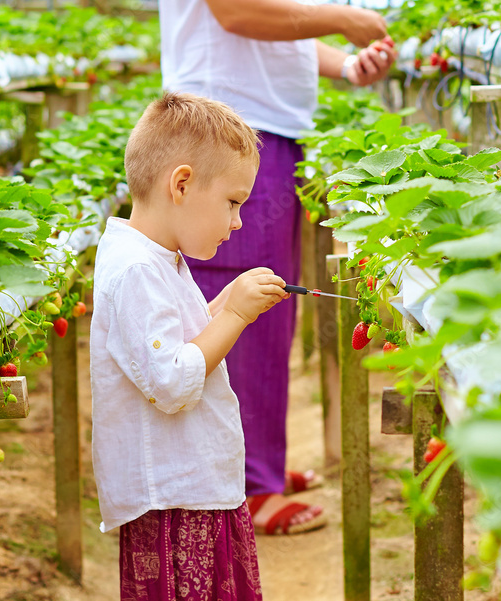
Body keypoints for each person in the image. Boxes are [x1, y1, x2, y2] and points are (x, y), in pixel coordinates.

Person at [158, 0, 397, 534]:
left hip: (250, 126)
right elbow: (238, 13)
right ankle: (243, 486)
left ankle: (252, 463)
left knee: (266, 308)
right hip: (224, 133)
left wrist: (343, 63)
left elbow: (271, 32)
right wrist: (344, 18)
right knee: (240, 301)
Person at [90, 91, 293, 600]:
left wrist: (221, 305)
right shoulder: (137, 270)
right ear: (181, 184)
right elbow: (171, 380)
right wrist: (238, 315)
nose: (238, 222)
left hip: (192, 489)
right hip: (175, 504)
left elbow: (171, 342)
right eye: (232, 202)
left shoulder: (156, 257)